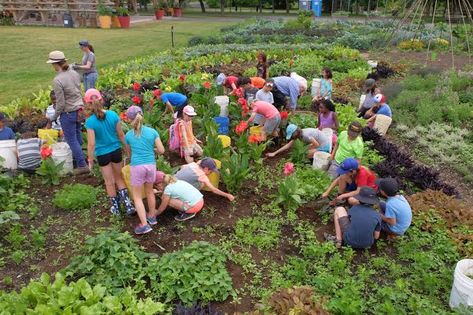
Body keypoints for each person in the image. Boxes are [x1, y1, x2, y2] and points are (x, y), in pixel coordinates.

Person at [84, 89, 135, 216]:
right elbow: (121, 135)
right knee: (119, 178)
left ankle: (116, 209)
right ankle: (128, 205)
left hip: (102, 154)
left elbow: (91, 144)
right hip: (116, 151)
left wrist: (90, 160)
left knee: (109, 182)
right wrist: (128, 150)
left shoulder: (90, 122)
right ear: (101, 100)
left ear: (88, 104)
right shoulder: (113, 115)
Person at [124, 106, 165, 235]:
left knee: (137, 197)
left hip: (137, 166)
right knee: (149, 192)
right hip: (151, 165)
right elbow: (162, 150)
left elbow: (129, 154)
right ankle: (152, 217)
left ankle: (144, 224)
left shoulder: (128, 135)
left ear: (130, 120)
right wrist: (153, 150)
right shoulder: (152, 132)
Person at [46, 50, 88, 175]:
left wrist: (54, 117)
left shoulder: (58, 80)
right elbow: (79, 91)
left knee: (71, 140)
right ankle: (83, 159)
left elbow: (60, 103)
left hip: (68, 113)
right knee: (78, 137)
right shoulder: (74, 73)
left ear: (55, 64)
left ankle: (82, 165)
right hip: (79, 110)